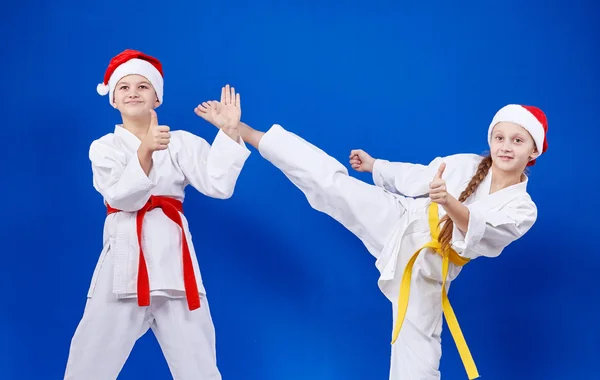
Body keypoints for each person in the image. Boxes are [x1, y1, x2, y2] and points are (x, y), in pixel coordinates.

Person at [197, 101, 548, 379]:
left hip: (429, 268)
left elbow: (482, 232)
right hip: (400, 218)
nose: (505, 146)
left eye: (517, 141)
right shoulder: (466, 164)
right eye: (499, 137)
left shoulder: (522, 207)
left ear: (533, 152)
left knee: (419, 357)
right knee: (332, 184)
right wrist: (376, 166)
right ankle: (244, 131)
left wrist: (449, 202)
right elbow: (416, 177)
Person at [64, 49, 250, 380]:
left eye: (143, 86)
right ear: (113, 100)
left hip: (175, 265)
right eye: (124, 87)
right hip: (123, 267)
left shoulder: (179, 143)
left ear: (157, 98)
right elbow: (123, 197)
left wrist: (229, 132)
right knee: (90, 362)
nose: (133, 92)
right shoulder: (104, 147)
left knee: (199, 365)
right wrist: (145, 149)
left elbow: (219, 185)